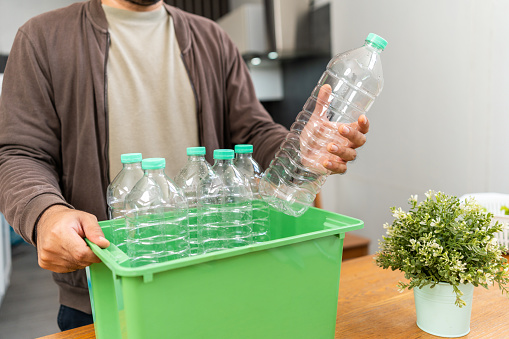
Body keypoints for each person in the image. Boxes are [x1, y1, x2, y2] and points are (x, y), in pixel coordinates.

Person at [0, 0, 369, 332]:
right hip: (104, 298)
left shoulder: (212, 38)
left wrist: (299, 150)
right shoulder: (42, 38)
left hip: (213, 282)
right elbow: (18, 152)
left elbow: (253, 129)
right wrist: (44, 213)